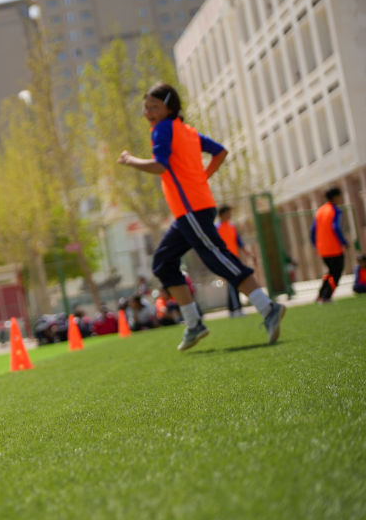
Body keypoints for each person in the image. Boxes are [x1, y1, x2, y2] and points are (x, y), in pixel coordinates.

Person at [117, 82, 285, 351]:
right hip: (191, 211)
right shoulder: (187, 131)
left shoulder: (163, 129)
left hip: (192, 210)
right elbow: (220, 152)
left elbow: (160, 165)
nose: (148, 112)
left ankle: (268, 308)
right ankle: (194, 324)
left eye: (154, 107)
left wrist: (130, 160)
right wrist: (202, 178)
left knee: (217, 258)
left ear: (170, 107)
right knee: (163, 263)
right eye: (146, 107)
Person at [310, 187, 349, 303]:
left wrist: (316, 245)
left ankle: (321, 295)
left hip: (322, 249)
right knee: (336, 272)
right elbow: (336, 227)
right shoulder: (335, 210)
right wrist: (344, 242)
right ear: (335, 197)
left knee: (331, 272)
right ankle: (326, 297)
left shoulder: (320, 211)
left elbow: (312, 231)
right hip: (334, 248)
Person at [216, 205, 255, 317]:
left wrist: (248, 254)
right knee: (233, 283)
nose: (230, 215)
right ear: (222, 214)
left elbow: (239, 242)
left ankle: (233, 309)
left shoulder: (232, 227)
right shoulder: (217, 228)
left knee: (234, 283)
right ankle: (236, 308)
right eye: (228, 213)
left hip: (234, 259)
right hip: (224, 259)